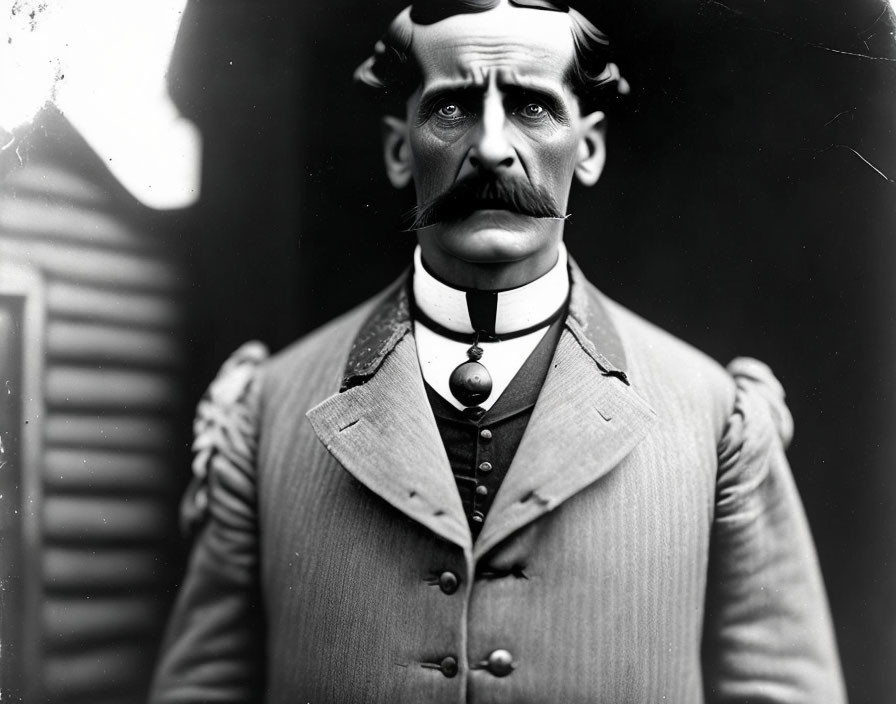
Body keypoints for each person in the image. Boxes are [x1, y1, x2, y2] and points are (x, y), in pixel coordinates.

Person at [149, 1, 847, 701]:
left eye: (532, 108)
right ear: (400, 149)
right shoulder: (268, 410)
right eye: (451, 109)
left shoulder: (713, 416)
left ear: (590, 147)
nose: (489, 148)